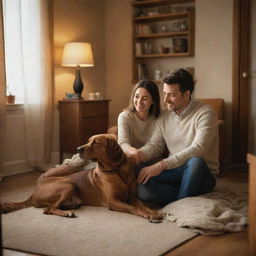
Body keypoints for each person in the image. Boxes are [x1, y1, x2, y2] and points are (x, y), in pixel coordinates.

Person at [135, 68, 218, 206]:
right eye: (165, 94)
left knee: (195, 161)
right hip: (174, 171)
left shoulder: (205, 113)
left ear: (186, 94)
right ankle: (185, 197)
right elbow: (155, 145)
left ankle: (181, 201)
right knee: (142, 182)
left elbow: (198, 149)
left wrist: (161, 165)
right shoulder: (164, 116)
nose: (166, 100)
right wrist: (139, 155)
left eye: (171, 95)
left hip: (200, 174)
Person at [118, 79, 161, 164]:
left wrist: (139, 154)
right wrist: (133, 152)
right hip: (130, 160)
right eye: (137, 96)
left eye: (145, 98)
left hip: (151, 162)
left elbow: (156, 147)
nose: (139, 102)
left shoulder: (159, 118)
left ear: (153, 100)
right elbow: (123, 143)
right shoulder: (124, 116)